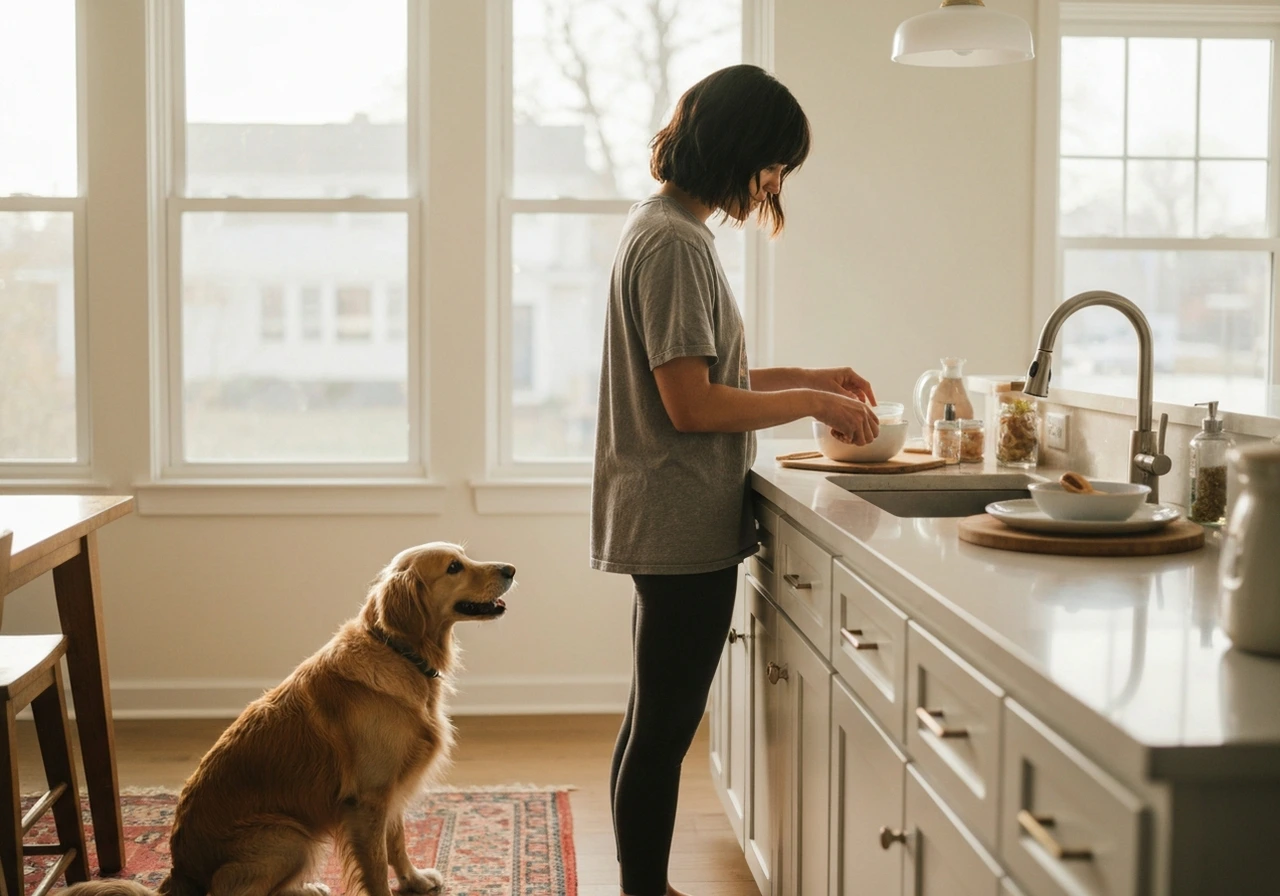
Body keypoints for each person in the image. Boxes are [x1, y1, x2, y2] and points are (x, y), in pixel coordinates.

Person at [589, 64, 879, 896]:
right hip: (679, 518)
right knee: (662, 731)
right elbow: (691, 405)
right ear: (742, 150)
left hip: (663, 512)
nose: (775, 184)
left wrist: (809, 376)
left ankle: (642, 887)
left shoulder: (661, 224)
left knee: (649, 721)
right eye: (775, 164)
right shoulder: (677, 244)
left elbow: (707, 373)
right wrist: (813, 402)